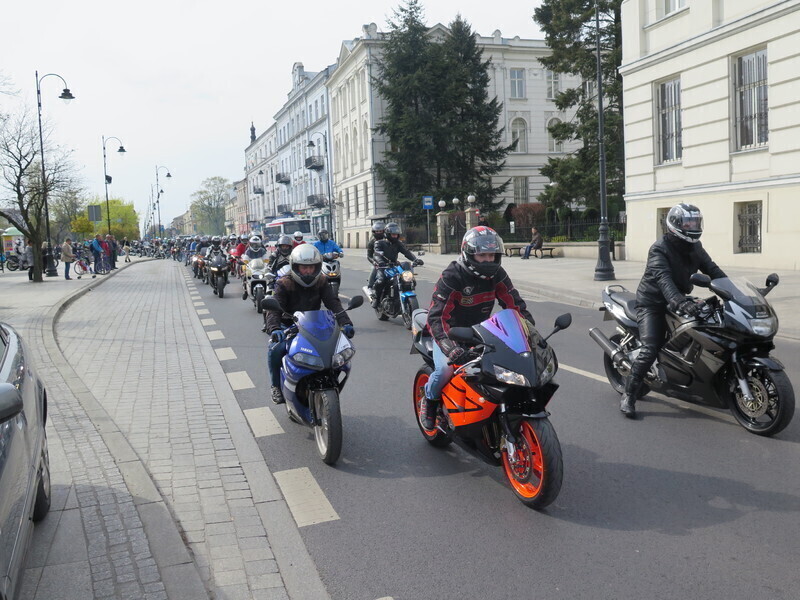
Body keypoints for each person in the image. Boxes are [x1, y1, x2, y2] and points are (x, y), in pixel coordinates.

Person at [419, 226, 534, 430]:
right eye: (482, 255)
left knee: (502, 367)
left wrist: (529, 332)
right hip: (448, 333)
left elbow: (514, 303)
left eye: (492, 255)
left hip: (480, 332)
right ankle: (429, 400)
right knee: (445, 370)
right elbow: (436, 317)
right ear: (469, 254)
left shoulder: (497, 274)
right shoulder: (452, 276)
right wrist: (450, 348)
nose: (488, 260)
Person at [619, 203, 726, 418]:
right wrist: (679, 301)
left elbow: (713, 270)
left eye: (695, 222)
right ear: (675, 225)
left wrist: (733, 291)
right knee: (651, 347)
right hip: (653, 303)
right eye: (687, 223)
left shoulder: (695, 247)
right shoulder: (659, 249)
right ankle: (629, 394)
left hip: (678, 298)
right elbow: (664, 280)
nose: (692, 226)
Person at [264, 245, 355, 404]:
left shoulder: (321, 281)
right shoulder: (284, 283)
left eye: (311, 267)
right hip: (288, 325)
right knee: (275, 348)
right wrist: (275, 328)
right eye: (304, 267)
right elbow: (274, 309)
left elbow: (333, 303)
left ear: (317, 267)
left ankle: (329, 380)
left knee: (335, 349)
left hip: (313, 324)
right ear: (295, 266)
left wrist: (346, 323)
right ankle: (275, 386)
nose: (308, 271)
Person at [371, 222, 421, 308]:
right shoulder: (379, 243)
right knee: (381, 281)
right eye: (393, 234)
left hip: (394, 266)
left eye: (396, 234)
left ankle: (399, 297)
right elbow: (376, 254)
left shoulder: (398, 243)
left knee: (408, 279)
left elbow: (406, 252)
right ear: (388, 234)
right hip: (383, 267)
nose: (395, 236)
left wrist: (415, 259)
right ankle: (376, 298)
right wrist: (380, 262)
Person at [365, 222, 386, 298]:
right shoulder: (371, 242)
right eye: (377, 231)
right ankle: (369, 286)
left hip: (389, 261)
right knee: (375, 268)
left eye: (380, 231)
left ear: (384, 231)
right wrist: (374, 262)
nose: (379, 233)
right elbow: (369, 256)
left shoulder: (388, 240)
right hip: (378, 262)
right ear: (374, 232)